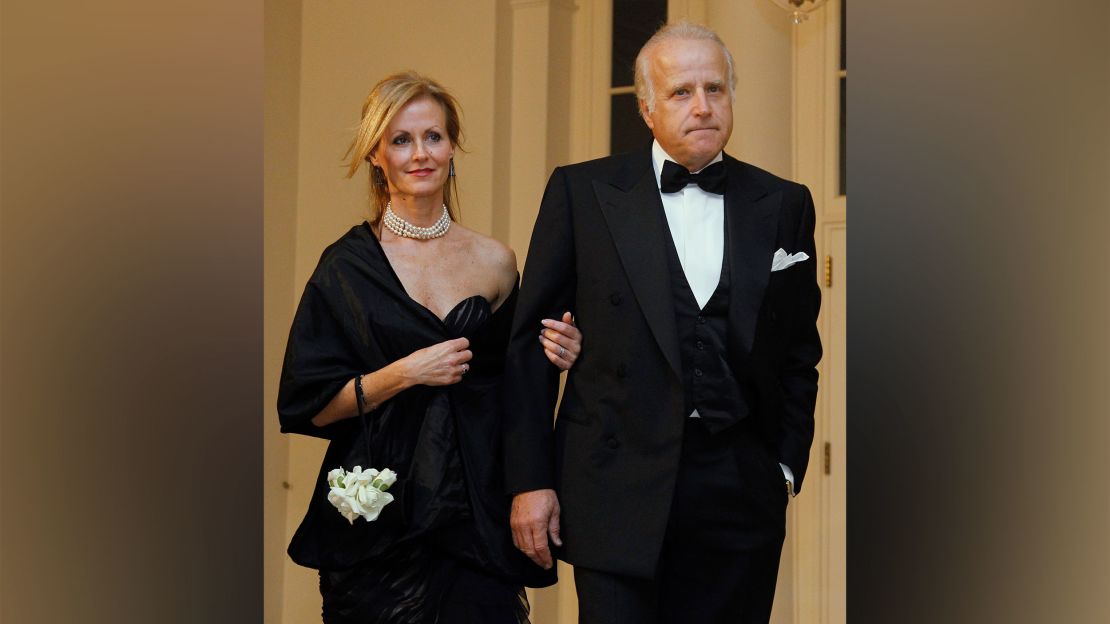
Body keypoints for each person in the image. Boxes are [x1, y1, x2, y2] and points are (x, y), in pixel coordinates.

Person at [504, 22, 822, 623]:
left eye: (715, 89)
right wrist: (529, 480)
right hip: (614, 483)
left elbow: (799, 353)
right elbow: (530, 348)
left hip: (738, 489)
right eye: (680, 92)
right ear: (646, 109)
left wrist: (781, 468)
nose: (702, 106)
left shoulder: (785, 202)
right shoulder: (583, 191)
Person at [277, 71, 583, 624]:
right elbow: (308, 402)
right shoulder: (344, 267)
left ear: (451, 147)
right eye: (401, 140)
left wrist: (563, 349)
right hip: (381, 523)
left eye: (433, 137)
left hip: (475, 514)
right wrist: (405, 372)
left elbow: (516, 387)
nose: (420, 153)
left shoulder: (496, 261)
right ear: (376, 155)